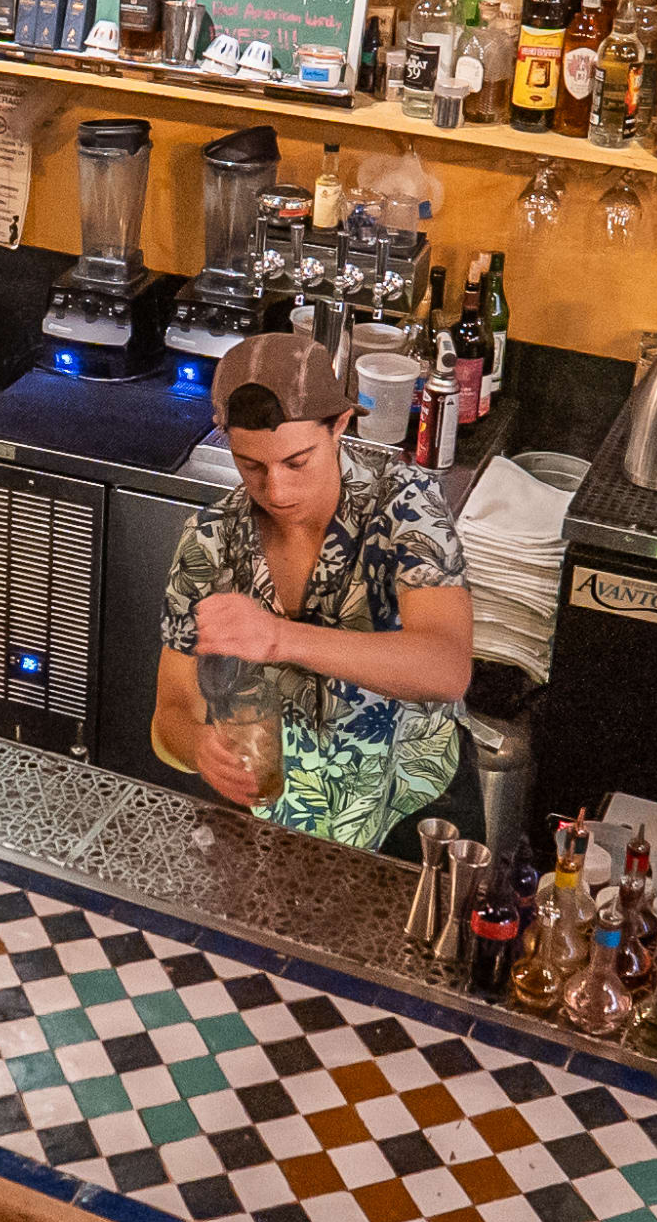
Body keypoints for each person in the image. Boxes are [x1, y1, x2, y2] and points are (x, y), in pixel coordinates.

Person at [153, 334, 473, 852]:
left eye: (296, 462)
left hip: (411, 817)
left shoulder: (403, 506)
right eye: (250, 465)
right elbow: (170, 707)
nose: (275, 491)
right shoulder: (210, 540)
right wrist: (198, 748)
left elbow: (446, 668)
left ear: (340, 426)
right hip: (276, 822)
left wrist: (280, 638)